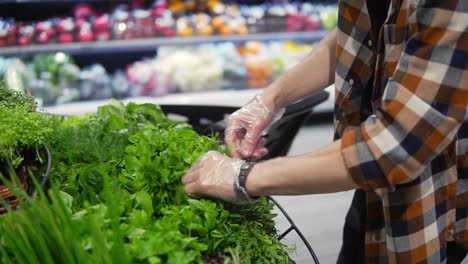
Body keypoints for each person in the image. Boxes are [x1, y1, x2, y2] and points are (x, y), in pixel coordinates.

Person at [182, 0, 467, 263]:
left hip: (435, 187)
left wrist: (242, 177)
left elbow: (394, 145)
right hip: (371, 185)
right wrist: (271, 99)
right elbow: (358, 32)